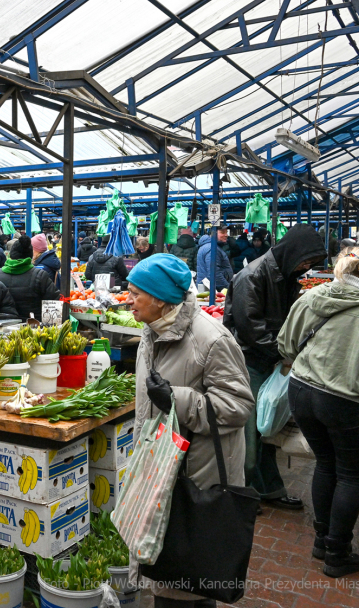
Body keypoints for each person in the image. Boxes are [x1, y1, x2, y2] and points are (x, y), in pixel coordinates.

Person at [126, 254, 254, 608]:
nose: (128, 299)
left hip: (197, 471)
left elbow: (238, 406)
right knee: (179, 573)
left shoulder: (211, 340)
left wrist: (176, 399)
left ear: (162, 299)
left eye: (136, 293)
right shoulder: (153, 331)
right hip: (164, 463)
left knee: (183, 574)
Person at [278, 247, 359, 577]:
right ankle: (337, 554)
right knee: (349, 474)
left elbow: (286, 344)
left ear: (337, 269)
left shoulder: (311, 296)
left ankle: (321, 541)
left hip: (301, 391)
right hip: (345, 402)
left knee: (325, 463)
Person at [224, 223, 326, 511]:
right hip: (250, 360)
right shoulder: (253, 275)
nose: (307, 267)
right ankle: (244, 493)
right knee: (250, 432)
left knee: (266, 428)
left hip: (271, 359)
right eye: (306, 260)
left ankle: (268, 488)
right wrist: (283, 353)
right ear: (292, 252)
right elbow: (249, 325)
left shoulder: (287, 273)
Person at [0, 235, 59, 320]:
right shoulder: (40, 276)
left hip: (2, 327)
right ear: (30, 255)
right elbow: (54, 303)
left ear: (10, 254)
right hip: (33, 329)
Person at [196, 227, 233, 291]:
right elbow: (214, 274)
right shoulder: (212, 249)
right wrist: (229, 289)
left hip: (207, 289)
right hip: (211, 291)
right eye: (222, 232)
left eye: (226, 232)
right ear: (213, 233)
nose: (226, 235)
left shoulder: (210, 246)